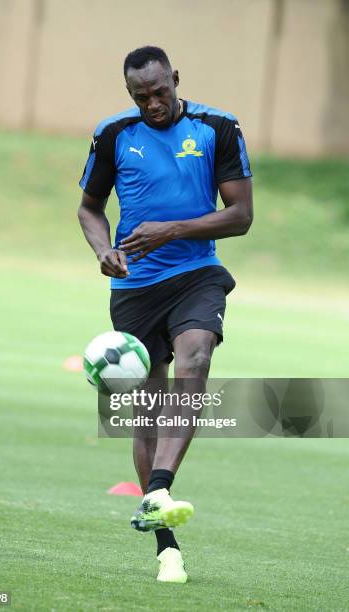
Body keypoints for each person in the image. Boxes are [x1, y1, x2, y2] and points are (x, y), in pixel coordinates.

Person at [78, 45, 253, 583]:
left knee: (194, 359)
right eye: (140, 96)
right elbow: (89, 207)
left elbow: (241, 216)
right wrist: (104, 250)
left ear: (175, 79)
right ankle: (165, 542)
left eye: (160, 91)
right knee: (148, 409)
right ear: (129, 94)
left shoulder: (217, 128)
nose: (153, 103)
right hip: (137, 288)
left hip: (197, 274)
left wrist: (172, 231)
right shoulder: (113, 135)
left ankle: (156, 487)